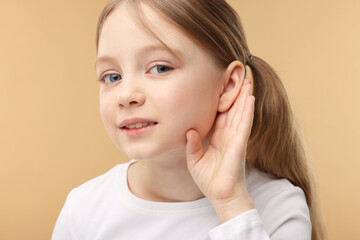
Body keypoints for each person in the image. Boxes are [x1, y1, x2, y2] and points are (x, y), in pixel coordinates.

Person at [52, 0, 325, 239]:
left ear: (228, 85)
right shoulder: (83, 210)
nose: (126, 96)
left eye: (159, 68)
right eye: (112, 76)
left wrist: (231, 203)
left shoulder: (278, 206)